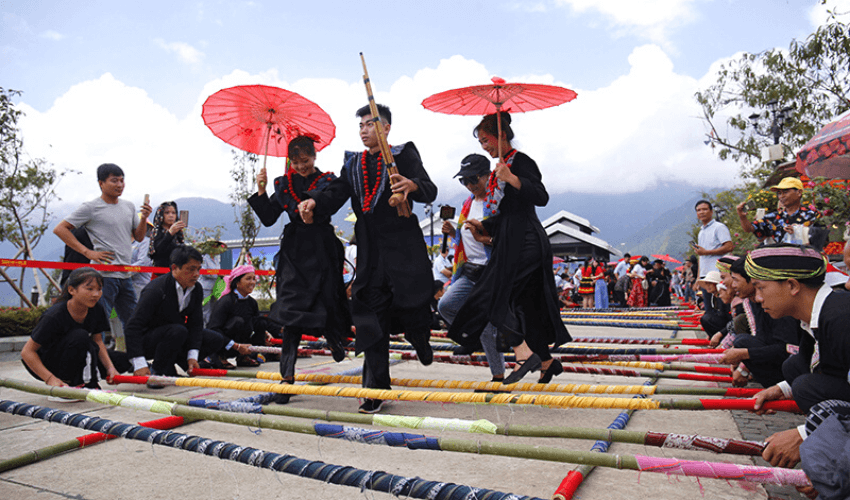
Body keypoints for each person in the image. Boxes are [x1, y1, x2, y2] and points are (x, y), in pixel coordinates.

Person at [297, 105, 437, 414]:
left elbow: (430, 190)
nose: (363, 130)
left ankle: (419, 335)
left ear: (386, 128)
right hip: (370, 247)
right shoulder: (353, 162)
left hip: (403, 241)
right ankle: (375, 388)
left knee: (413, 297)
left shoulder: (405, 154)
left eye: (370, 124)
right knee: (370, 315)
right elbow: (336, 192)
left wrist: (411, 185)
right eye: (360, 125)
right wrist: (315, 201)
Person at [446, 112, 571, 386]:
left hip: (526, 242)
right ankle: (547, 363)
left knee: (496, 296)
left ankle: (525, 355)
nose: (484, 146)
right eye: (480, 142)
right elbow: (505, 213)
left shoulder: (521, 162)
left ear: (501, 135)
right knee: (525, 305)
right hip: (509, 240)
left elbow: (541, 196)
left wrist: (514, 179)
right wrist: (484, 226)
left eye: (486, 139)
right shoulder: (497, 170)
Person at [249, 135, 352, 391]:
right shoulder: (284, 184)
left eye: (304, 160)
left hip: (322, 248)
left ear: (314, 156)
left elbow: (333, 199)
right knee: (291, 311)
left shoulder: (329, 181)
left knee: (326, 300)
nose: (300, 166)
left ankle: (334, 339)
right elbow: (270, 218)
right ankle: (287, 377)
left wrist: (314, 203)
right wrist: (261, 192)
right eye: (294, 162)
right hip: (294, 252)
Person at [748, 244, 850, 470]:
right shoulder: (814, 317)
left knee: (805, 384)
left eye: (761, 288)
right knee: (795, 370)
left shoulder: (842, 319)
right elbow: (805, 363)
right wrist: (778, 390)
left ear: (792, 285)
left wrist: (805, 435)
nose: (757, 298)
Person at [53, 163, 152, 338]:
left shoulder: (128, 206)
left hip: (125, 274)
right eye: (114, 181)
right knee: (99, 321)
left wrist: (143, 218)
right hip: (103, 275)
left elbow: (138, 236)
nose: (119, 185)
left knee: (133, 321)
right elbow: (60, 229)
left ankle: (135, 361)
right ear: (101, 183)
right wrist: (87, 252)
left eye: (122, 181)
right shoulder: (91, 207)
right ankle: (95, 361)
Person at [125, 246, 250, 379]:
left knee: (215, 339)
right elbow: (133, 327)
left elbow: (195, 324)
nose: (196, 274)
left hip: (175, 336)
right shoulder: (156, 290)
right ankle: (158, 370)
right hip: (150, 340)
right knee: (178, 330)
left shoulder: (196, 289)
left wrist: (192, 357)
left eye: (198, 269)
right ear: (174, 268)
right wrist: (139, 363)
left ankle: (181, 363)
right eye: (191, 269)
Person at [437, 154, 506, 383]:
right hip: (468, 270)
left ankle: (498, 376)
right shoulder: (467, 203)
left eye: (472, 180)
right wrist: (452, 234)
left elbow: (506, 240)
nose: (468, 185)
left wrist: (484, 238)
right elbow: (466, 241)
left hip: (492, 271)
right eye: (463, 181)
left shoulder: (497, 202)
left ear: (487, 176)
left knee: (488, 326)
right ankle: (472, 338)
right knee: (445, 305)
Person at [21, 267, 130, 390]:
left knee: (123, 360)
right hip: (50, 363)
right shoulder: (54, 315)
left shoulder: (97, 309)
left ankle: (86, 377)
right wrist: (50, 378)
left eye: (99, 289)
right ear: (72, 290)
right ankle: (73, 383)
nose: (96, 294)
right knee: (80, 336)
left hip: (78, 353)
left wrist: (110, 368)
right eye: (89, 289)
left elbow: (98, 341)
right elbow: (27, 352)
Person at [717, 256, 801, 388]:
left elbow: (790, 348)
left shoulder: (779, 303)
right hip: (781, 360)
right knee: (742, 341)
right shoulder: (751, 302)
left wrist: (744, 355)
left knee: (742, 342)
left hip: (793, 368)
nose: (732, 285)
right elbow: (762, 338)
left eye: (735, 280)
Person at [208, 264, 276, 368]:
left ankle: (244, 357)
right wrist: (236, 346)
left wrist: (265, 333)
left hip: (242, 344)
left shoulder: (252, 302)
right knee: (237, 321)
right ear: (237, 282)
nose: (253, 282)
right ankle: (221, 357)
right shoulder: (226, 301)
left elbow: (255, 322)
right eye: (248, 279)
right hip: (225, 344)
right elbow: (213, 328)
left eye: (254, 279)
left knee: (261, 322)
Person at [737, 177, 821, 246]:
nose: (781, 196)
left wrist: (799, 233)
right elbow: (750, 228)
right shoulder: (772, 217)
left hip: (807, 261)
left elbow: (822, 241)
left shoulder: (813, 215)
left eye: (785, 192)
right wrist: (742, 216)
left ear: (799, 192)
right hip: (781, 261)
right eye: (779, 193)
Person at [148, 201, 186, 273]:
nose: (171, 215)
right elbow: (156, 253)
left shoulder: (178, 232)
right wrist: (169, 234)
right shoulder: (156, 231)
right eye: (167, 213)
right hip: (160, 273)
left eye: (173, 213)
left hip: (176, 273)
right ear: (161, 214)